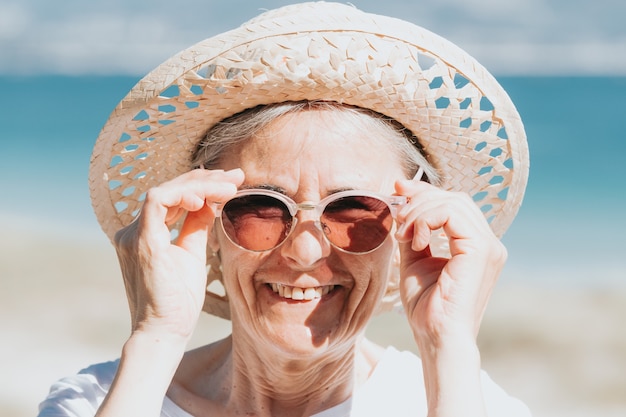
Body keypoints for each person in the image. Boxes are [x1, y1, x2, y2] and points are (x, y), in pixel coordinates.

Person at [38, 2, 532, 416]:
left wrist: (448, 348)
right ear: (206, 225)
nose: (305, 251)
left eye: (354, 211)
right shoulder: (99, 401)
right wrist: (156, 337)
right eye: (261, 208)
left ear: (407, 226)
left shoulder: (469, 400)